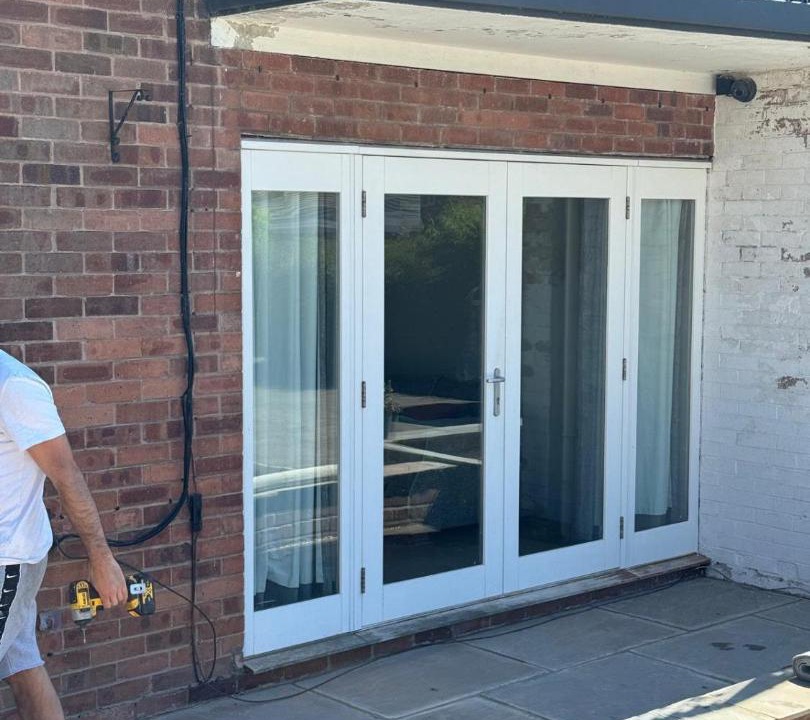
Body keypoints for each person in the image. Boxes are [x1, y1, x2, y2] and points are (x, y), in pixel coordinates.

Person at [0, 349, 128, 720]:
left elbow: (67, 475)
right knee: (22, 668)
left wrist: (101, 558)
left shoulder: (14, 385)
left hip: (7, 562)